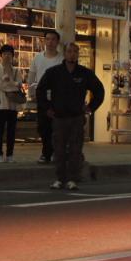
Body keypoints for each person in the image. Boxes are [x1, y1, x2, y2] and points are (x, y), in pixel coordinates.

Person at [36, 42, 105, 190]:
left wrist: (90, 108)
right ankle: (60, 178)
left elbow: (99, 91)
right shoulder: (54, 72)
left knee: (75, 149)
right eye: (69, 51)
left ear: (78, 54)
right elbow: (40, 90)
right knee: (59, 149)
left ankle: (73, 179)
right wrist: (47, 108)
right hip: (59, 117)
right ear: (64, 53)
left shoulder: (84, 73)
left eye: (75, 51)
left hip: (76, 117)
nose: (72, 54)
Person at [28, 29, 64, 163]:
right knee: (43, 127)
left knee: (57, 127)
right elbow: (31, 77)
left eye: (53, 39)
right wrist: (32, 93)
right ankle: (46, 152)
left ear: (57, 42)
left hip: (57, 98)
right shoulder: (38, 58)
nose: (50, 42)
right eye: (48, 39)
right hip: (42, 97)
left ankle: (55, 152)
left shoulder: (62, 59)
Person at [0, 44, 25, 162]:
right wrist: (13, 84)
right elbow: (1, 85)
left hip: (13, 104)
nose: (7, 56)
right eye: (4, 54)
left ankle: (10, 154)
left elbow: (20, 84)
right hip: (0, 104)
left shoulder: (16, 70)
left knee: (11, 130)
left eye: (9, 54)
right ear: (1, 55)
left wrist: (10, 83)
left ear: (12, 56)